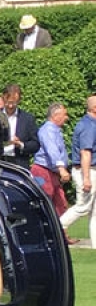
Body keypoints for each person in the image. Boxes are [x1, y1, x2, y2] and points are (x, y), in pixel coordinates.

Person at [59, 95, 96, 247]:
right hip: (87, 170)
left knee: (94, 211)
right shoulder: (88, 126)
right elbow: (85, 153)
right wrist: (86, 178)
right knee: (83, 207)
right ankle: (57, 226)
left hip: (90, 170)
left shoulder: (91, 124)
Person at [31, 103, 71, 222]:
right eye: (64, 115)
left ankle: (60, 230)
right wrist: (61, 168)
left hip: (52, 172)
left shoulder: (55, 130)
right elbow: (51, 149)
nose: (66, 117)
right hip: (43, 171)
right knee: (45, 202)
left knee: (60, 205)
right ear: (55, 115)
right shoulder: (48, 130)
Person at [0, 84, 39, 169]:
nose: (10, 106)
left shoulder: (28, 119)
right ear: (3, 98)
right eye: (8, 102)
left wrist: (21, 145)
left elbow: (35, 144)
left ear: (19, 101)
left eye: (14, 103)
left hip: (19, 163)